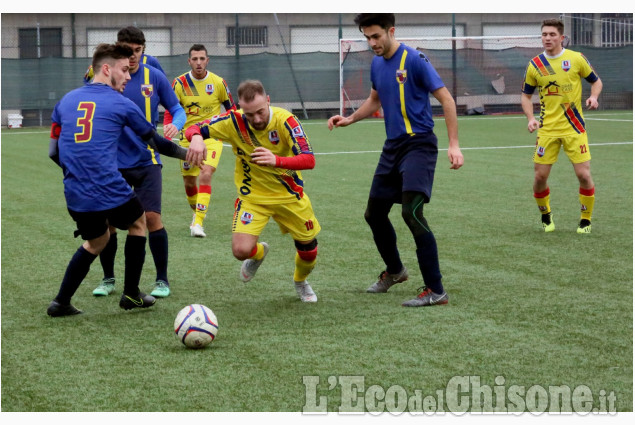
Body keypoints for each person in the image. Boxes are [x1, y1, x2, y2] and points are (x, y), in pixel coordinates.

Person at [327, 13, 464, 307]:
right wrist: (350, 119)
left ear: (391, 31)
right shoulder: (377, 63)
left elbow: (447, 100)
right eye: (367, 37)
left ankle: (436, 290)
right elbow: (375, 99)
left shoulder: (414, 59)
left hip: (420, 145)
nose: (372, 42)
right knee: (374, 215)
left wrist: (454, 145)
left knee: (411, 214)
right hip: (393, 147)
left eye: (376, 36)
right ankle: (396, 271)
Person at [46, 43, 193, 317]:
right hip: (108, 186)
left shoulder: (65, 101)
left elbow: (54, 151)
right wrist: (188, 154)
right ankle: (131, 295)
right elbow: (156, 143)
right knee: (138, 222)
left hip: (75, 191)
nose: (128, 76)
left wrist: (77, 174)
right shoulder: (121, 103)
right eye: (124, 70)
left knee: (96, 241)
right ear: (106, 69)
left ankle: (61, 302)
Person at [186, 80, 320, 303]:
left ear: (268, 101)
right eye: (250, 115)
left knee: (309, 251)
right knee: (240, 251)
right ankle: (258, 254)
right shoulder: (233, 121)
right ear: (240, 108)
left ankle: (300, 281)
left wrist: (276, 160)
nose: (256, 119)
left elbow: (309, 159)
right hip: (252, 198)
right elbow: (195, 128)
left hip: (289, 196)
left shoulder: (286, 120)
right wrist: (197, 138)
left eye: (260, 112)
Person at [91, 27, 187, 299]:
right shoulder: (103, 75)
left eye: (137, 51)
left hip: (147, 159)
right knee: (108, 222)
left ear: (143, 50)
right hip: (112, 161)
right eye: (126, 50)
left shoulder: (153, 76)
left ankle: (161, 280)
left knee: (152, 218)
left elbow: (176, 108)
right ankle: (108, 278)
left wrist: (175, 126)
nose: (131, 56)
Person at [521, 18, 602, 234]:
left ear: (561, 37)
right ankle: (546, 216)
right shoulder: (535, 65)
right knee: (539, 177)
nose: (547, 38)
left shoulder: (576, 59)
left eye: (552, 35)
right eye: (544, 34)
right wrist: (530, 118)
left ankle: (585, 220)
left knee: (584, 175)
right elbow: (526, 96)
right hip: (547, 129)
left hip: (575, 128)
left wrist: (594, 97)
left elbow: (596, 81)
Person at [164, 44, 236, 237]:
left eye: (202, 58)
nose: (198, 62)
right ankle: (197, 215)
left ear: (207, 60)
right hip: (187, 139)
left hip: (211, 137)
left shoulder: (218, 82)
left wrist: (233, 131)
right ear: (189, 61)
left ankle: (198, 223)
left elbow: (232, 110)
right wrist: (169, 127)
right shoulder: (179, 83)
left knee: (206, 172)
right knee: (189, 182)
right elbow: (171, 109)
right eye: (194, 59)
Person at [84, 26, 166, 84]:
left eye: (137, 50)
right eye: (128, 50)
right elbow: (88, 88)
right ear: (118, 46)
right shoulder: (101, 66)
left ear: (143, 48)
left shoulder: (151, 62)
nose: (133, 56)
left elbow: (165, 89)